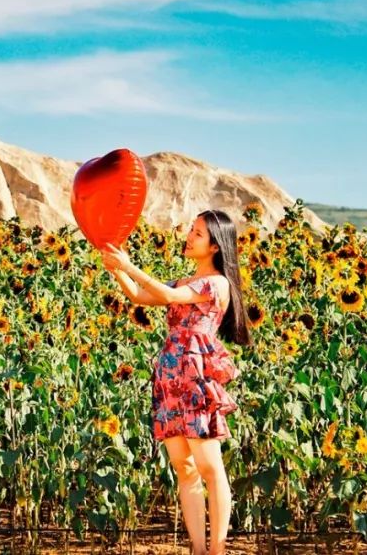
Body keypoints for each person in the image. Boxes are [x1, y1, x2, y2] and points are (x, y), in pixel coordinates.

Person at [102, 210, 249, 555]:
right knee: (184, 467)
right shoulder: (183, 281)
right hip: (170, 375)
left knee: (210, 467)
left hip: (195, 376)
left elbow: (169, 298)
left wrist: (128, 265)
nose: (189, 237)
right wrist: (115, 268)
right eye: (191, 230)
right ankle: (197, 549)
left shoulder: (216, 284)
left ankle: (217, 550)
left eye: (198, 233)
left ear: (215, 246)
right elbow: (140, 295)